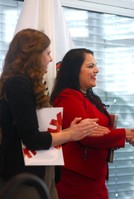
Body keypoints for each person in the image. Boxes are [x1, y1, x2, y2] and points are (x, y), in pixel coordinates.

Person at [0, 29, 110, 199]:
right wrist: (71, 134)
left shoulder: (28, 83)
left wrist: (69, 132)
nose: (51, 59)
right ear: (34, 55)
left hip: (42, 171)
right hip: (25, 176)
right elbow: (32, 139)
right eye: (47, 53)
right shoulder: (18, 84)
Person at [50, 48, 134, 199]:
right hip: (77, 181)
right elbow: (87, 133)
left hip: (94, 177)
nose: (97, 70)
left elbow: (103, 131)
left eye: (95, 65)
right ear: (74, 70)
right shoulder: (68, 97)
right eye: (90, 66)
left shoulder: (89, 97)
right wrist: (127, 133)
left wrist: (124, 136)